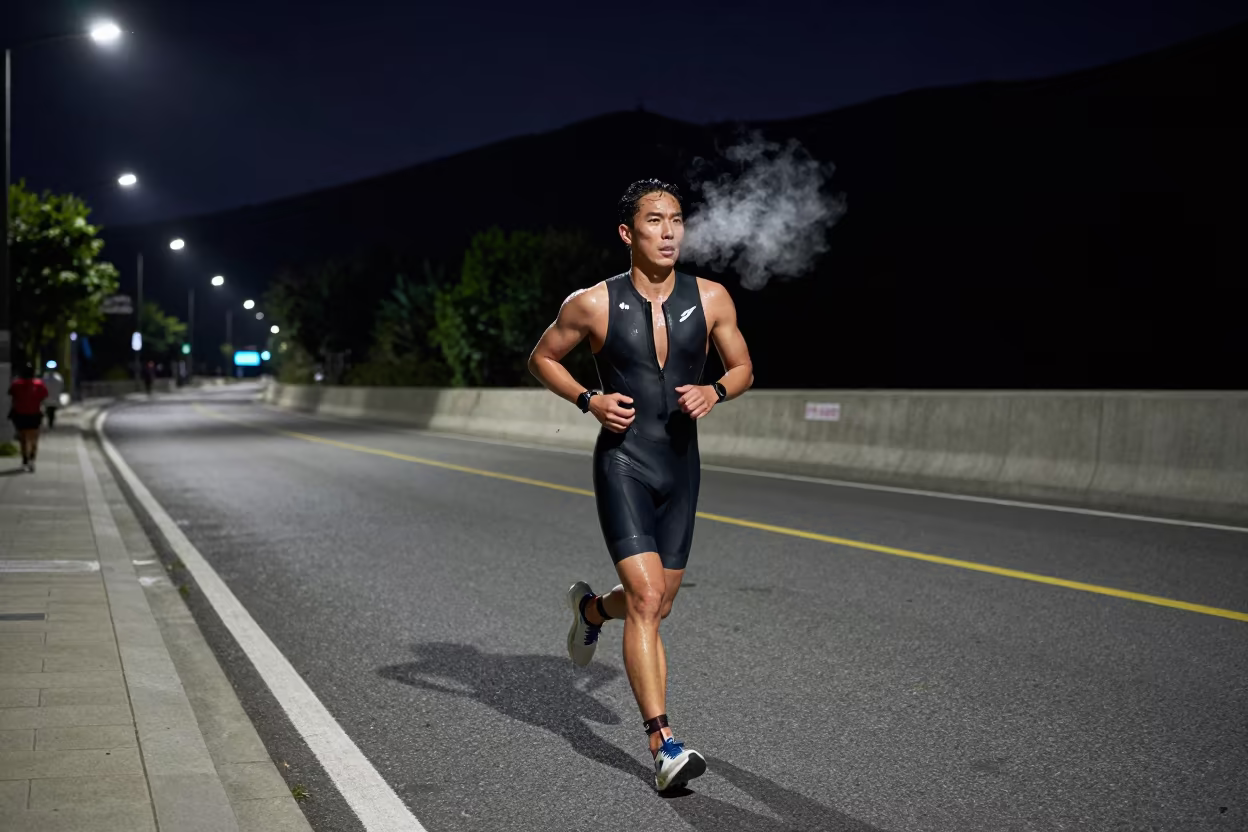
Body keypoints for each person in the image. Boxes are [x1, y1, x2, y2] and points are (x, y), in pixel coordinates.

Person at [527, 179, 755, 792]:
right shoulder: (592, 303)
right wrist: (589, 399)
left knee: (658, 602)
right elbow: (542, 357)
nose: (669, 230)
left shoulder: (711, 297)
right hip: (624, 462)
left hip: (681, 468)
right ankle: (663, 745)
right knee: (649, 599)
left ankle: (591, 610)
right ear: (628, 233)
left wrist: (716, 390)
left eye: (676, 219)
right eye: (655, 220)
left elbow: (743, 366)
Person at [7, 363, 49, 473]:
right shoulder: (39, 384)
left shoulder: (16, 384)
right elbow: (44, 398)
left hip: (20, 414)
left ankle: (25, 460)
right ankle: (32, 459)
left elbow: (12, 396)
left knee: (23, 439)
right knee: (34, 438)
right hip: (34, 414)